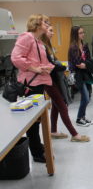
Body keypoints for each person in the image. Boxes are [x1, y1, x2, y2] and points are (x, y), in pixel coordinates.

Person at [11, 14, 54, 163]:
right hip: (30, 84)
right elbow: (16, 58)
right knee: (32, 121)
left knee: (36, 120)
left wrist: (48, 67)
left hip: (38, 82)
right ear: (36, 23)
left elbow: (41, 61)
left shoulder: (38, 41)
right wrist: (35, 69)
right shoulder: (27, 37)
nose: (47, 24)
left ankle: (36, 146)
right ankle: (36, 153)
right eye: (44, 21)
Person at [41, 25, 90, 142]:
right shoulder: (42, 47)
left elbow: (53, 62)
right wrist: (62, 67)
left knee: (56, 106)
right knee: (63, 106)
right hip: (48, 81)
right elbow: (50, 65)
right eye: (50, 31)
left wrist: (59, 66)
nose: (52, 33)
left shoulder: (48, 46)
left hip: (55, 80)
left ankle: (53, 131)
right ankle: (75, 135)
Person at [68, 25, 93, 126]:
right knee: (86, 98)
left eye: (83, 32)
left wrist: (86, 64)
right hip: (78, 75)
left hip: (85, 74)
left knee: (86, 97)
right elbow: (78, 64)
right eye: (80, 33)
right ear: (75, 34)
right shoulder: (73, 47)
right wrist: (85, 64)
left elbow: (88, 60)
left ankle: (82, 117)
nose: (83, 34)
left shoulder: (84, 45)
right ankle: (79, 119)